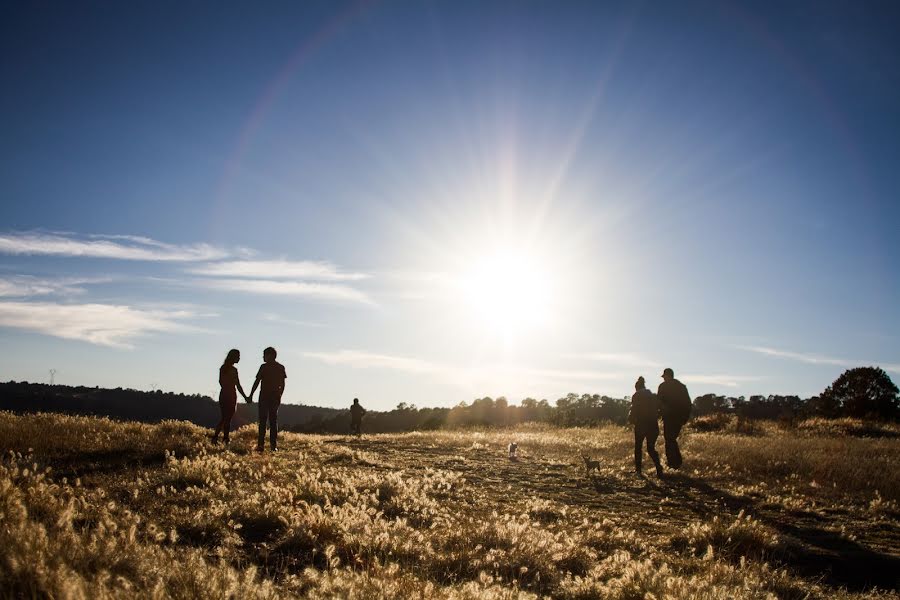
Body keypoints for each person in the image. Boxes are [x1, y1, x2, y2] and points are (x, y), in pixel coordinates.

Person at [248, 346, 287, 452]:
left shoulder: (264, 367)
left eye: (264, 355)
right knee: (273, 421)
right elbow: (282, 384)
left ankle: (262, 445)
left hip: (265, 396)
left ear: (270, 356)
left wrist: (251, 394)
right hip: (273, 397)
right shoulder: (280, 367)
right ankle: (272, 446)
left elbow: (257, 382)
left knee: (264, 421)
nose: (263, 357)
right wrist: (280, 395)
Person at [212, 349, 249, 445]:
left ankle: (218, 437)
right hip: (231, 394)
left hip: (223, 393)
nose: (239, 358)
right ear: (234, 357)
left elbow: (221, 382)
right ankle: (224, 438)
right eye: (238, 356)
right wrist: (245, 397)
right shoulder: (233, 370)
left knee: (224, 417)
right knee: (227, 418)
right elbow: (238, 385)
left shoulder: (223, 368)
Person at [658, 367, 692, 469]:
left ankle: (674, 462)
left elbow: (659, 401)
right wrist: (685, 417)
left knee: (669, 439)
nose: (663, 378)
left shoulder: (663, 386)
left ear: (667, 376)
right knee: (671, 439)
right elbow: (688, 403)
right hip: (679, 417)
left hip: (669, 417)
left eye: (664, 376)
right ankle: (675, 462)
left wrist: (659, 413)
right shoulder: (682, 387)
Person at [629, 376, 663, 477]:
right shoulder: (653, 396)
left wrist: (631, 418)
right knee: (651, 448)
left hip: (641, 424)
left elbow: (634, 409)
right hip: (653, 425)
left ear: (636, 387)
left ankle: (638, 471)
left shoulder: (636, 395)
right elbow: (660, 408)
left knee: (638, 447)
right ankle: (659, 468)